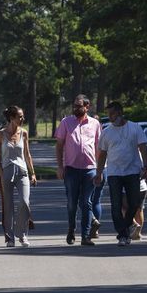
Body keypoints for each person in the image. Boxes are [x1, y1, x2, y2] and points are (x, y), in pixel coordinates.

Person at [95, 101, 147, 246]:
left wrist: (145, 166)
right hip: (114, 173)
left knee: (134, 203)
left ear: (120, 113)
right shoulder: (107, 132)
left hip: (133, 171)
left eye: (112, 113)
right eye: (108, 114)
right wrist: (99, 173)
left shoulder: (134, 127)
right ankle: (123, 235)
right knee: (116, 205)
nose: (110, 117)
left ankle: (124, 228)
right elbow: (102, 154)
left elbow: (143, 147)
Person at [55, 94, 102, 246]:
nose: (75, 108)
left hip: (90, 170)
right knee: (72, 203)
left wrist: (100, 170)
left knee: (87, 203)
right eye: (74, 106)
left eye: (79, 106)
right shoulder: (66, 122)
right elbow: (59, 146)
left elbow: (99, 148)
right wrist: (60, 167)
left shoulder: (95, 124)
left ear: (87, 107)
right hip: (71, 169)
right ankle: (71, 229)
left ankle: (85, 236)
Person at [0, 105, 38, 247]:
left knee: (25, 202)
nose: (22, 119)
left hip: (22, 171)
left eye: (22, 116)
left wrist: (32, 173)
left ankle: (22, 235)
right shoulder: (0, 134)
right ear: (12, 118)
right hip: (6, 171)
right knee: (8, 206)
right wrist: (1, 174)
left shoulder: (24, 133)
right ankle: (10, 238)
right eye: (19, 116)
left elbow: (27, 154)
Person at [129, 154, 147, 240]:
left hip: (129, 187)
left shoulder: (129, 155)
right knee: (140, 209)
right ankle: (138, 232)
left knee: (124, 208)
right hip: (142, 186)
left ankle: (134, 224)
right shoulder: (145, 157)